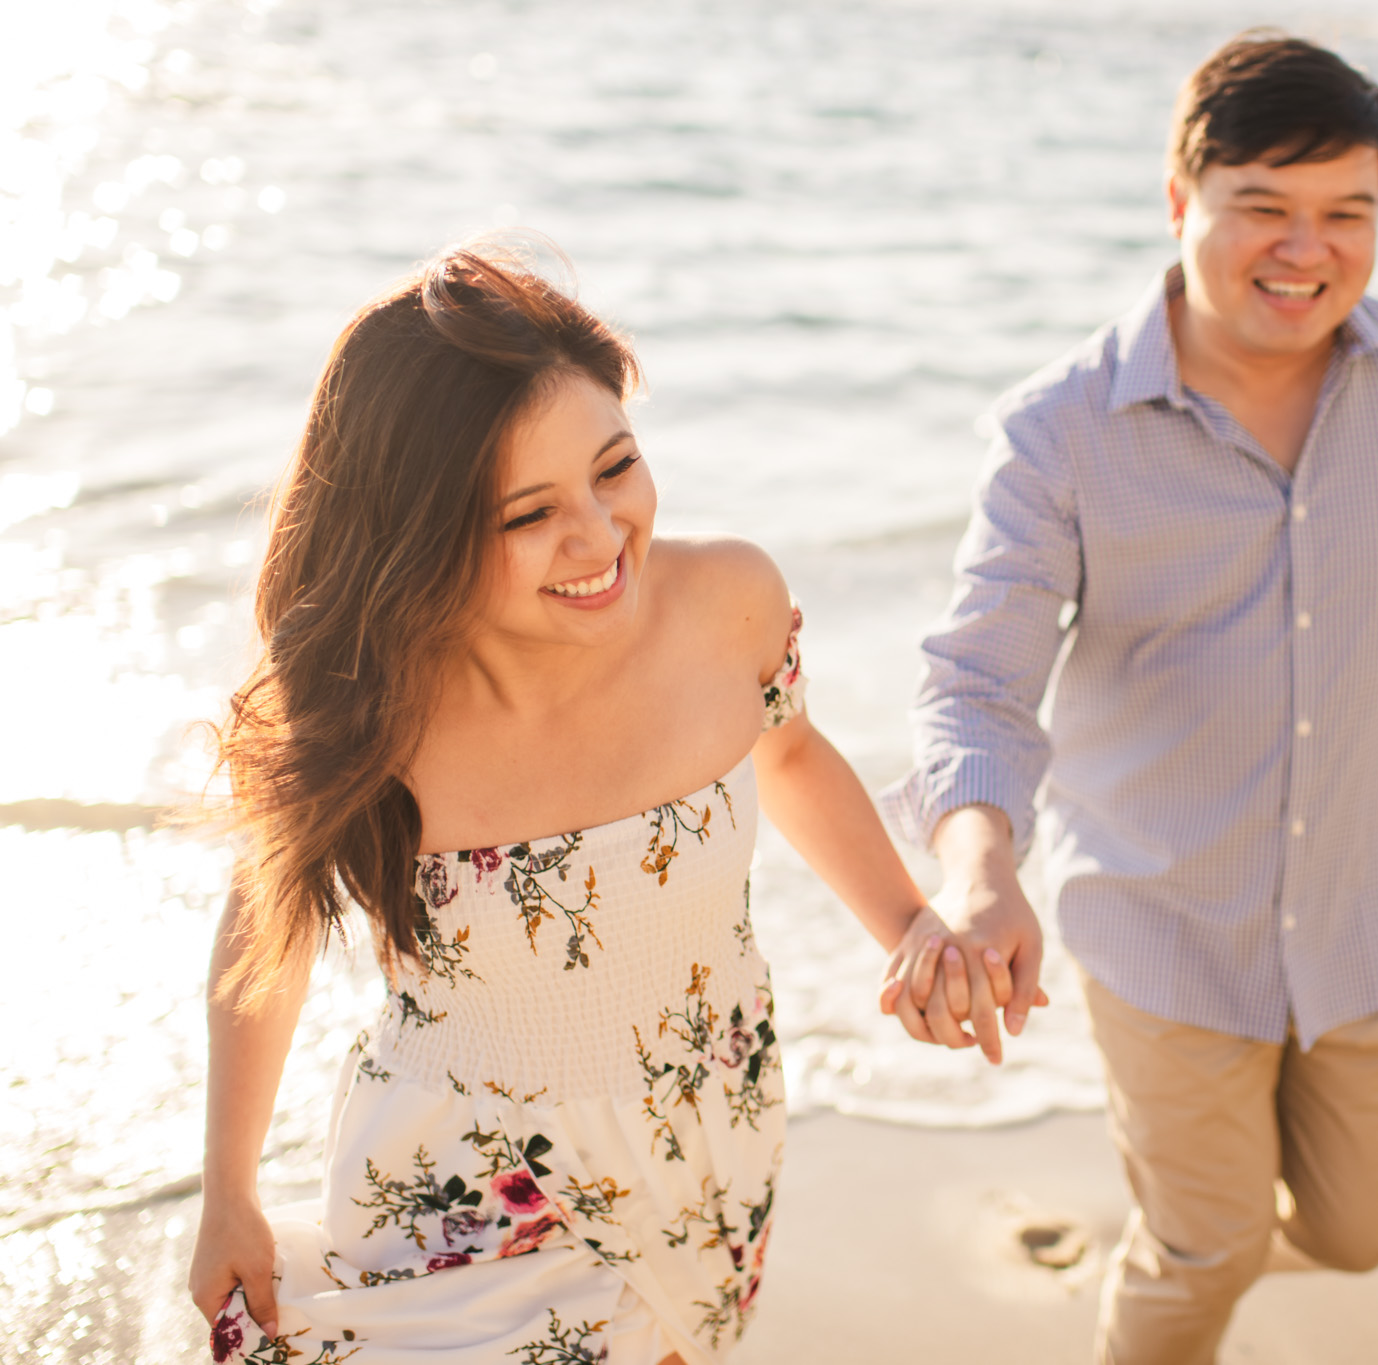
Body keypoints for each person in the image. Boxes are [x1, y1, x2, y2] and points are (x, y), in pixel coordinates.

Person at [881, 33, 1378, 1365]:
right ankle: (1179, 1269)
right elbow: (977, 682)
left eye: (1349, 213)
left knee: (1355, 1233)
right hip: (1163, 924)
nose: (1308, 250)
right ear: (1181, 205)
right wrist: (983, 872)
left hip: (1357, 913)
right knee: (1210, 1244)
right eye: (1265, 210)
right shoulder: (1060, 428)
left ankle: (1180, 1255)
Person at [187, 242, 1010, 1365]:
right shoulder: (369, 706)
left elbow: (795, 755)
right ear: (420, 532)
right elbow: (265, 933)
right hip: (466, 1178)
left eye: (614, 467)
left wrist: (911, 924)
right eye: (527, 515)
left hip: (707, 1131)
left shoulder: (728, 602)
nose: (597, 535)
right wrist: (226, 1190)